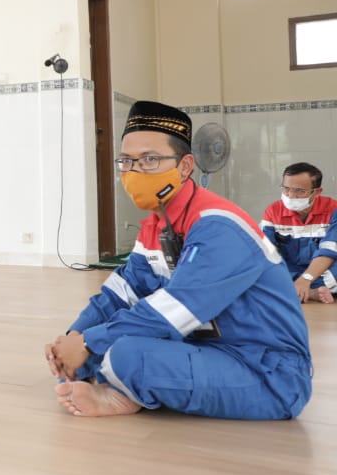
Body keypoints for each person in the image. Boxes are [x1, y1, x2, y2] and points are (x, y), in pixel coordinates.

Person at [46, 101, 312, 419]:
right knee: (90, 353)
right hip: (203, 350)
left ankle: (124, 391)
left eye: (149, 160)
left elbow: (177, 309)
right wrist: (73, 338)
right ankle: (122, 382)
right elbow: (120, 294)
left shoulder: (218, 225)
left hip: (267, 371)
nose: (133, 171)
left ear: (185, 167)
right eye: (126, 161)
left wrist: (89, 343)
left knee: (124, 353)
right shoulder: (156, 224)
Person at [261, 162, 337, 304]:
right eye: (286, 189)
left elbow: (329, 251)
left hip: (324, 271)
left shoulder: (334, 210)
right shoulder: (273, 211)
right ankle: (311, 292)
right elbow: (265, 251)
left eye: (300, 191)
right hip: (290, 271)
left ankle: (296, 290)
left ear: (317, 192)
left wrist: (306, 278)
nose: (291, 196)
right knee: (262, 272)